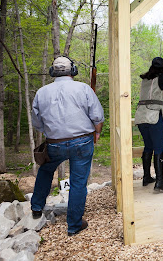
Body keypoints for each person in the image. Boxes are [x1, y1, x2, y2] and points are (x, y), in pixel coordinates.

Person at [31, 56, 104, 236]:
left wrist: (51, 132)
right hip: (82, 141)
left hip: (54, 144)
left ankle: (36, 207)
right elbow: (98, 117)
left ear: (53, 72)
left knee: (46, 170)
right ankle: (73, 225)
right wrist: (97, 133)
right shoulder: (83, 88)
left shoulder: (41, 92)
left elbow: (37, 123)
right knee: (78, 182)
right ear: (73, 70)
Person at [135, 57, 163, 193]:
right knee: (158, 148)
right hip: (154, 116)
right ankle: (159, 182)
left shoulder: (145, 78)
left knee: (148, 147)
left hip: (141, 115)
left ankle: (147, 177)